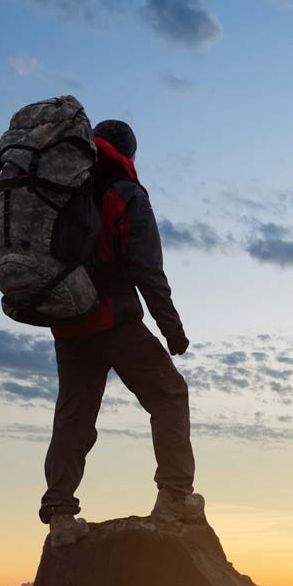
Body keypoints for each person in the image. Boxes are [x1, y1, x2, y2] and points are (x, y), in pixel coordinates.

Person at [39, 119, 204, 547]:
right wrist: (173, 330)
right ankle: (174, 497)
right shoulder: (124, 193)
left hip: (69, 323)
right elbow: (147, 268)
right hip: (114, 318)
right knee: (169, 395)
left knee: (74, 416)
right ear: (128, 154)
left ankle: (59, 514)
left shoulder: (59, 190)